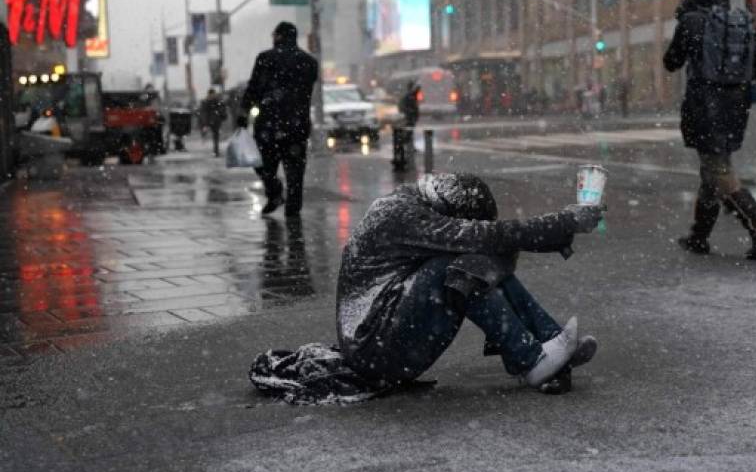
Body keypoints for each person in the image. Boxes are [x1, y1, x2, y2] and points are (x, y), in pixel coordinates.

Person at [336, 172, 605, 393]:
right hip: (373, 350)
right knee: (455, 269)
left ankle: (551, 343)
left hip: (381, 338)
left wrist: (561, 230)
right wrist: (564, 222)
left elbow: (488, 241)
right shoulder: (399, 215)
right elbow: (484, 236)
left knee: (474, 261)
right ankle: (532, 361)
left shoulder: (414, 204)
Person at [663, 0, 756, 260]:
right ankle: (699, 236)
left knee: (717, 170)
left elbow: (671, 62)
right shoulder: (740, 24)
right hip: (735, 107)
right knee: (712, 171)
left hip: (705, 107)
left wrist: (685, 39)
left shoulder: (691, 21)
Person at [242, 22, 318, 217]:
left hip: (269, 122)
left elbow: (253, 89)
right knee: (295, 170)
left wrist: (244, 113)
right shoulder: (309, 62)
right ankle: (293, 208)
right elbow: (307, 91)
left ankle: (275, 191)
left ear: (278, 36)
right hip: (297, 124)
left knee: (263, 165)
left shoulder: (265, 59)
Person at [199, 88, 227, 157]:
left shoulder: (210, 101)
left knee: (216, 135)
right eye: (212, 94)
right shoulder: (209, 101)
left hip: (214, 121)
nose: (212, 95)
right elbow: (204, 112)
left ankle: (216, 150)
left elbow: (204, 112)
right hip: (212, 120)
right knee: (215, 135)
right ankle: (215, 150)